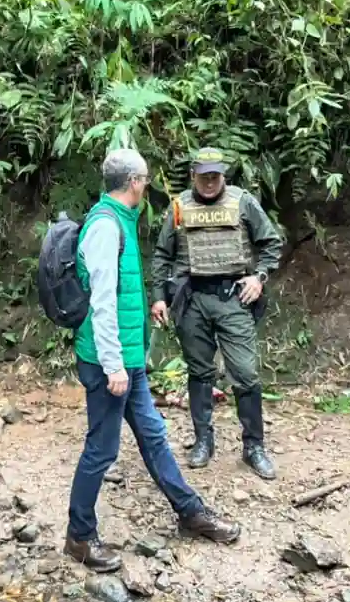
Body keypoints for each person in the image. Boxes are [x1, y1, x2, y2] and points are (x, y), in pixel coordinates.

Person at [64, 148, 241, 573]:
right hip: (110, 365)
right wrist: (113, 367)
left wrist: (131, 359)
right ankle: (79, 537)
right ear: (135, 183)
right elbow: (103, 304)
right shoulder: (106, 228)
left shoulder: (119, 221)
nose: (147, 185)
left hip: (128, 362)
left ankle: (190, 511)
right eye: (145, 179)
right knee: (101, 450)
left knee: (154, 436)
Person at [150, 148, 284, 480]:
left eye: (215, 175)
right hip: (191, 299)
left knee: (246, 373)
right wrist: (159, 298)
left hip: (233, 298)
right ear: (193, 175)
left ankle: (254, 447)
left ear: (223, 175)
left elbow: (271, 244)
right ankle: (203, 441)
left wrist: (259, 277)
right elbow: (162, 255)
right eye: (203, 175)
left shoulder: (243, 202)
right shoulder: (179, 206)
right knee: (199, 372)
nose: (210, 182)